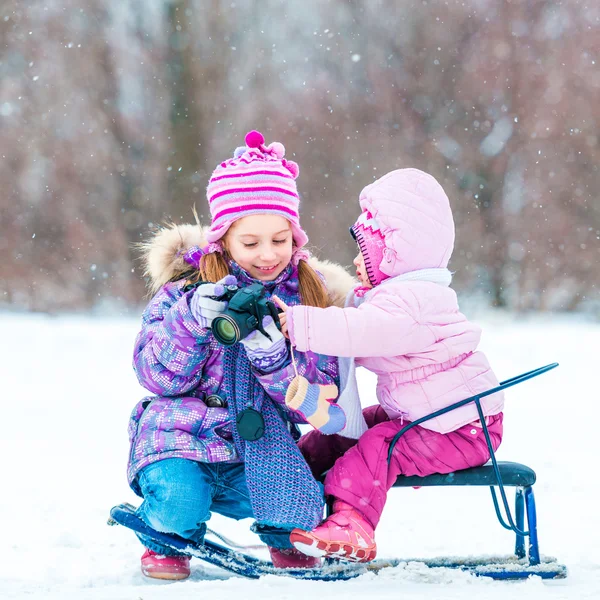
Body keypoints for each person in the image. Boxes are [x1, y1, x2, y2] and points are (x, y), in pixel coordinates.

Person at [126, 130, 355, 580]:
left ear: (296, 236)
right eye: (250, 243)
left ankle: (282, 534)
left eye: (280, 240)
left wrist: (272, 356)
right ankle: (164, 531)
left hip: (259, 444)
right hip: (180, 436)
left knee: (302, 511)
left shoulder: (308, 301)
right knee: (178, 501)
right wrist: (191, 321)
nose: (268, 255)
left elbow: (322, 400)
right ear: (224, 239)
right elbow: (156, 377)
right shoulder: (184, 292)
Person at [275, 168, 505, 563]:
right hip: (425, 413)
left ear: (393, 254)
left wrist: (304, 323)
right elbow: (365, 327)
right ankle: (289, 481)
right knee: (346, 428)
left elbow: (365, 331)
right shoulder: (401, 296)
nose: (356, 260)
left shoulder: (413, 302)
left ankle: (353, 523)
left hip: (460, 429)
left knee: (380, 444)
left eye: (364, 252)